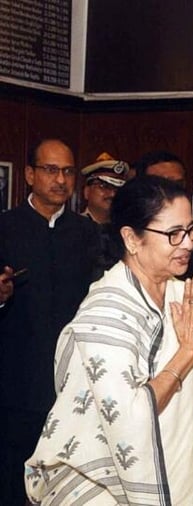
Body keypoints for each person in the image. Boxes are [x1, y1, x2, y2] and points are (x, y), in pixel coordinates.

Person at [24, 175, 193, 504]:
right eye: (173, 234)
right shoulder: (106, 310)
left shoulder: (190, 298)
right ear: (131, 239)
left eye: (191, 230)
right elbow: (130, 417)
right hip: (107, 486)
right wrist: (188, 352)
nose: (189, 243)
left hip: (182, 468)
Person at [0, 139, 102, 506]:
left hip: (73, 384)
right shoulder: (5, 227)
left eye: (68, 171)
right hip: (16, 382)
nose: (60, 179)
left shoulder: (88, 233)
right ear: (29, 175)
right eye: (50, 170)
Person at [133, 150, 193, 286]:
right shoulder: (123, 238)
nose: (171, 192)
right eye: (163, 185)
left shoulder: (192, 241)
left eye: (178, 185)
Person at [81, 152, 128, 224]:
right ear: (86, 192)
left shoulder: (127, 229)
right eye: (104, 186)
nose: (113, 194)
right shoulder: (72, 228)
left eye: (117, 188)